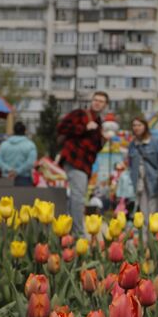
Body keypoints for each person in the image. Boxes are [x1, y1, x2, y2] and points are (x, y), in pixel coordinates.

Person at [56, 90, 108, 237]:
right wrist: (84, 128)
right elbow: (61, 128)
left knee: (76, 196)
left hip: (85, 164)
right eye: (95, 100)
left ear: (105, 105)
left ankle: (68, 230)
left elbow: (94, 148)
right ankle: (78, 233)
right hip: (74, 160)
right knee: (78, 197)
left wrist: (102, 141)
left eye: (101, 101)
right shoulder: (80, 114)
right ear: (91, 101)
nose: (97, 102)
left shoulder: (98, 123)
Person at [126, 116, 158, 218]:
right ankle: (145, 233)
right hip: (139, 180)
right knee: (143, 209)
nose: (136, 128)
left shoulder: (155, 141)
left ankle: (154, 232)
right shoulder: (132, 144)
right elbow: (131, 164)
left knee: (154, 209)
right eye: (134, 125)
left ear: (145, 126)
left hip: (154, 180)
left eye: (139, 125)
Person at [0, 122, 38, 186]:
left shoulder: (4, 144)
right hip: (24, 179)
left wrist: (9, 169)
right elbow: (30, 163)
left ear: (13, 131)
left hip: (6, 178)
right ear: (25, 131)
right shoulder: (30, 145)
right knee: (24, 196)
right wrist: (17, 171)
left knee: (5, 196)